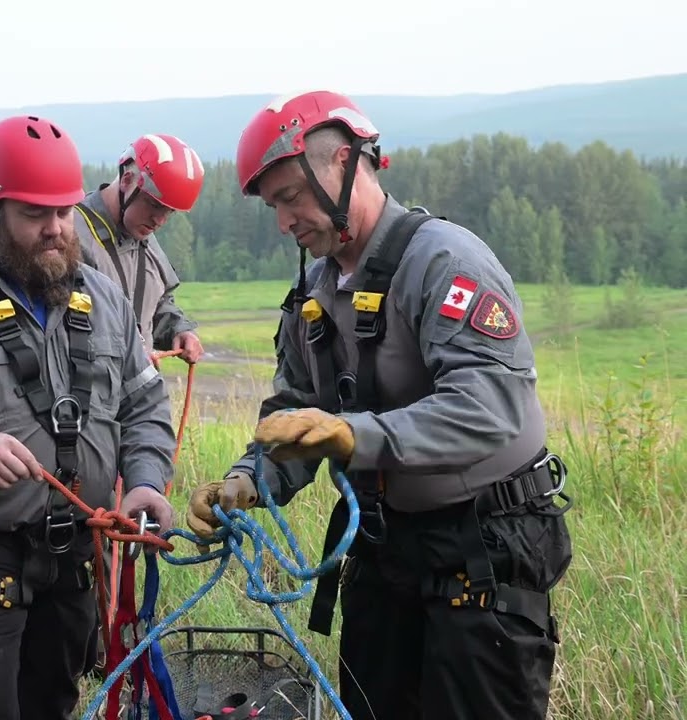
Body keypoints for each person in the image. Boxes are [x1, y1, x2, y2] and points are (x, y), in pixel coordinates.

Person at [186, 89, 574, 720]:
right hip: (385, 550)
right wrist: (247, 480)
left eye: (290, 197)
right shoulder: (313, 292)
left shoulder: (445, 263)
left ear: (344, 162)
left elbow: (489, 404)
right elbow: (296, 408)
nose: (284, 221)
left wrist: (353, 436)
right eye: (273, 207)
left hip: (482, 547)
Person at [0, 114, 178, 720]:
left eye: (65, 213)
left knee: (54, 705)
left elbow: (144, 402)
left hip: (76, 562)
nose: (55, 230)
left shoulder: (102, 300)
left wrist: (147, 478)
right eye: (34, 215)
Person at [73, 133, 205, 363]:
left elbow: (157, 304)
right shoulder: (71, 234)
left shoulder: (142, 229)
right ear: (127, 180)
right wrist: (129, 354)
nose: (160, 220)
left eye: (169, 211)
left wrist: (178, 329)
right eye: (154, 204)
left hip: (141, 393)